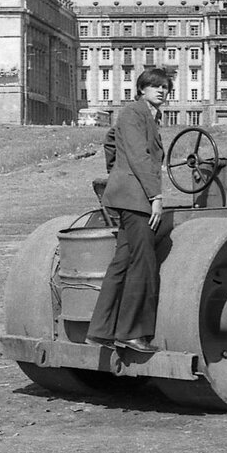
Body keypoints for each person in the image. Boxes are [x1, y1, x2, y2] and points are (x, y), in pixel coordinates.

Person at [87, 68, 173, 354]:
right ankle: (131, 333)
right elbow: (139, 155)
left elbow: (111, 141)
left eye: (165, 87)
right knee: (144, 262)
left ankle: (101, 331)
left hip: (128, 195)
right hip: (137, 199)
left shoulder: (145, 115)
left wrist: (116, 174)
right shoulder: (134, 112)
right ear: (142, 89)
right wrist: (155, 196)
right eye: (154, 86)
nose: (161, 90)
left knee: (122, 262)